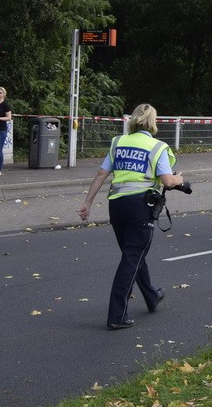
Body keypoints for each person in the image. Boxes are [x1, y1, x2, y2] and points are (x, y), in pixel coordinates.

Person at [79, 104, 187, 330]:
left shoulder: (118, 142)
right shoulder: (158, 147)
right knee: (131, 258)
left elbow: (101, 174)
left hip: (117, 205)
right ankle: (116, 315)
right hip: (141, 206)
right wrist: (180, 180)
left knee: (133, 254)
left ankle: (151, 296)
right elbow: (167, 181)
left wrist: (87, 203)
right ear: (153, 122)